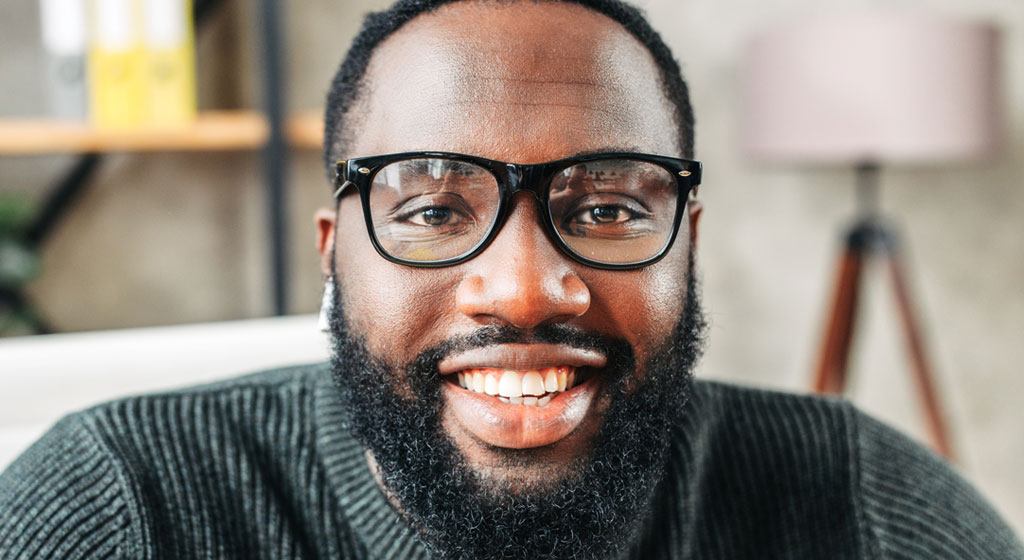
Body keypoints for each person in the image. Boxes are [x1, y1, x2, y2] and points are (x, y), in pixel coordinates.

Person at [1, 0, 1022, 558]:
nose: (526, 286)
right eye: (434, 209)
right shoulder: (118, 505)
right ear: (333, 248)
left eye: (609, 208)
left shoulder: (865, 504)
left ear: (687, 244)